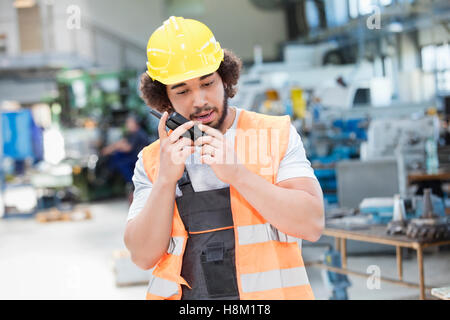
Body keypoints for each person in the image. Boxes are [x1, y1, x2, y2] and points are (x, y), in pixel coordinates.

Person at [124, 16, 324, 300]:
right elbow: (142, 256)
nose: (200, 100)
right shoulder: (154, 160)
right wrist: (166, 181)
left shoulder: (274, 135)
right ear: (164, 99)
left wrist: (238, 175)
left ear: (225, 78)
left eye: (208, 83)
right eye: (183, 91)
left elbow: (311, 224)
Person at [101, 115, 149, 183]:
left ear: (135, 123)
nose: (127, 125)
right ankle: (109, 174)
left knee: (121, 163)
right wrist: (110, 149)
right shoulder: (132, 133)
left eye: (128, 123)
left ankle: (132, 183)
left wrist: (114, 148)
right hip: (134, 156)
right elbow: (123, 142)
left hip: (140, 159)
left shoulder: (138, 133)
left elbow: (128, 148)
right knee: (116, 155)